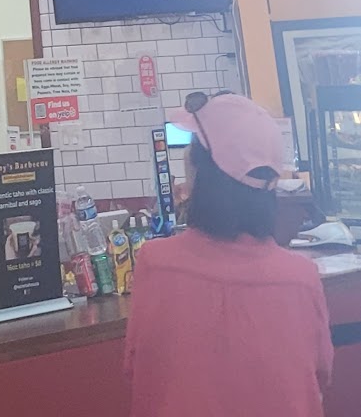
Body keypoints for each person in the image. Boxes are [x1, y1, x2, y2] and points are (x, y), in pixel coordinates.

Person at [125, 91, 333, 417]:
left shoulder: (154, 263)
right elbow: (321, 375)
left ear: (201, 175)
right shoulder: (302, 277)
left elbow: (135, 367)